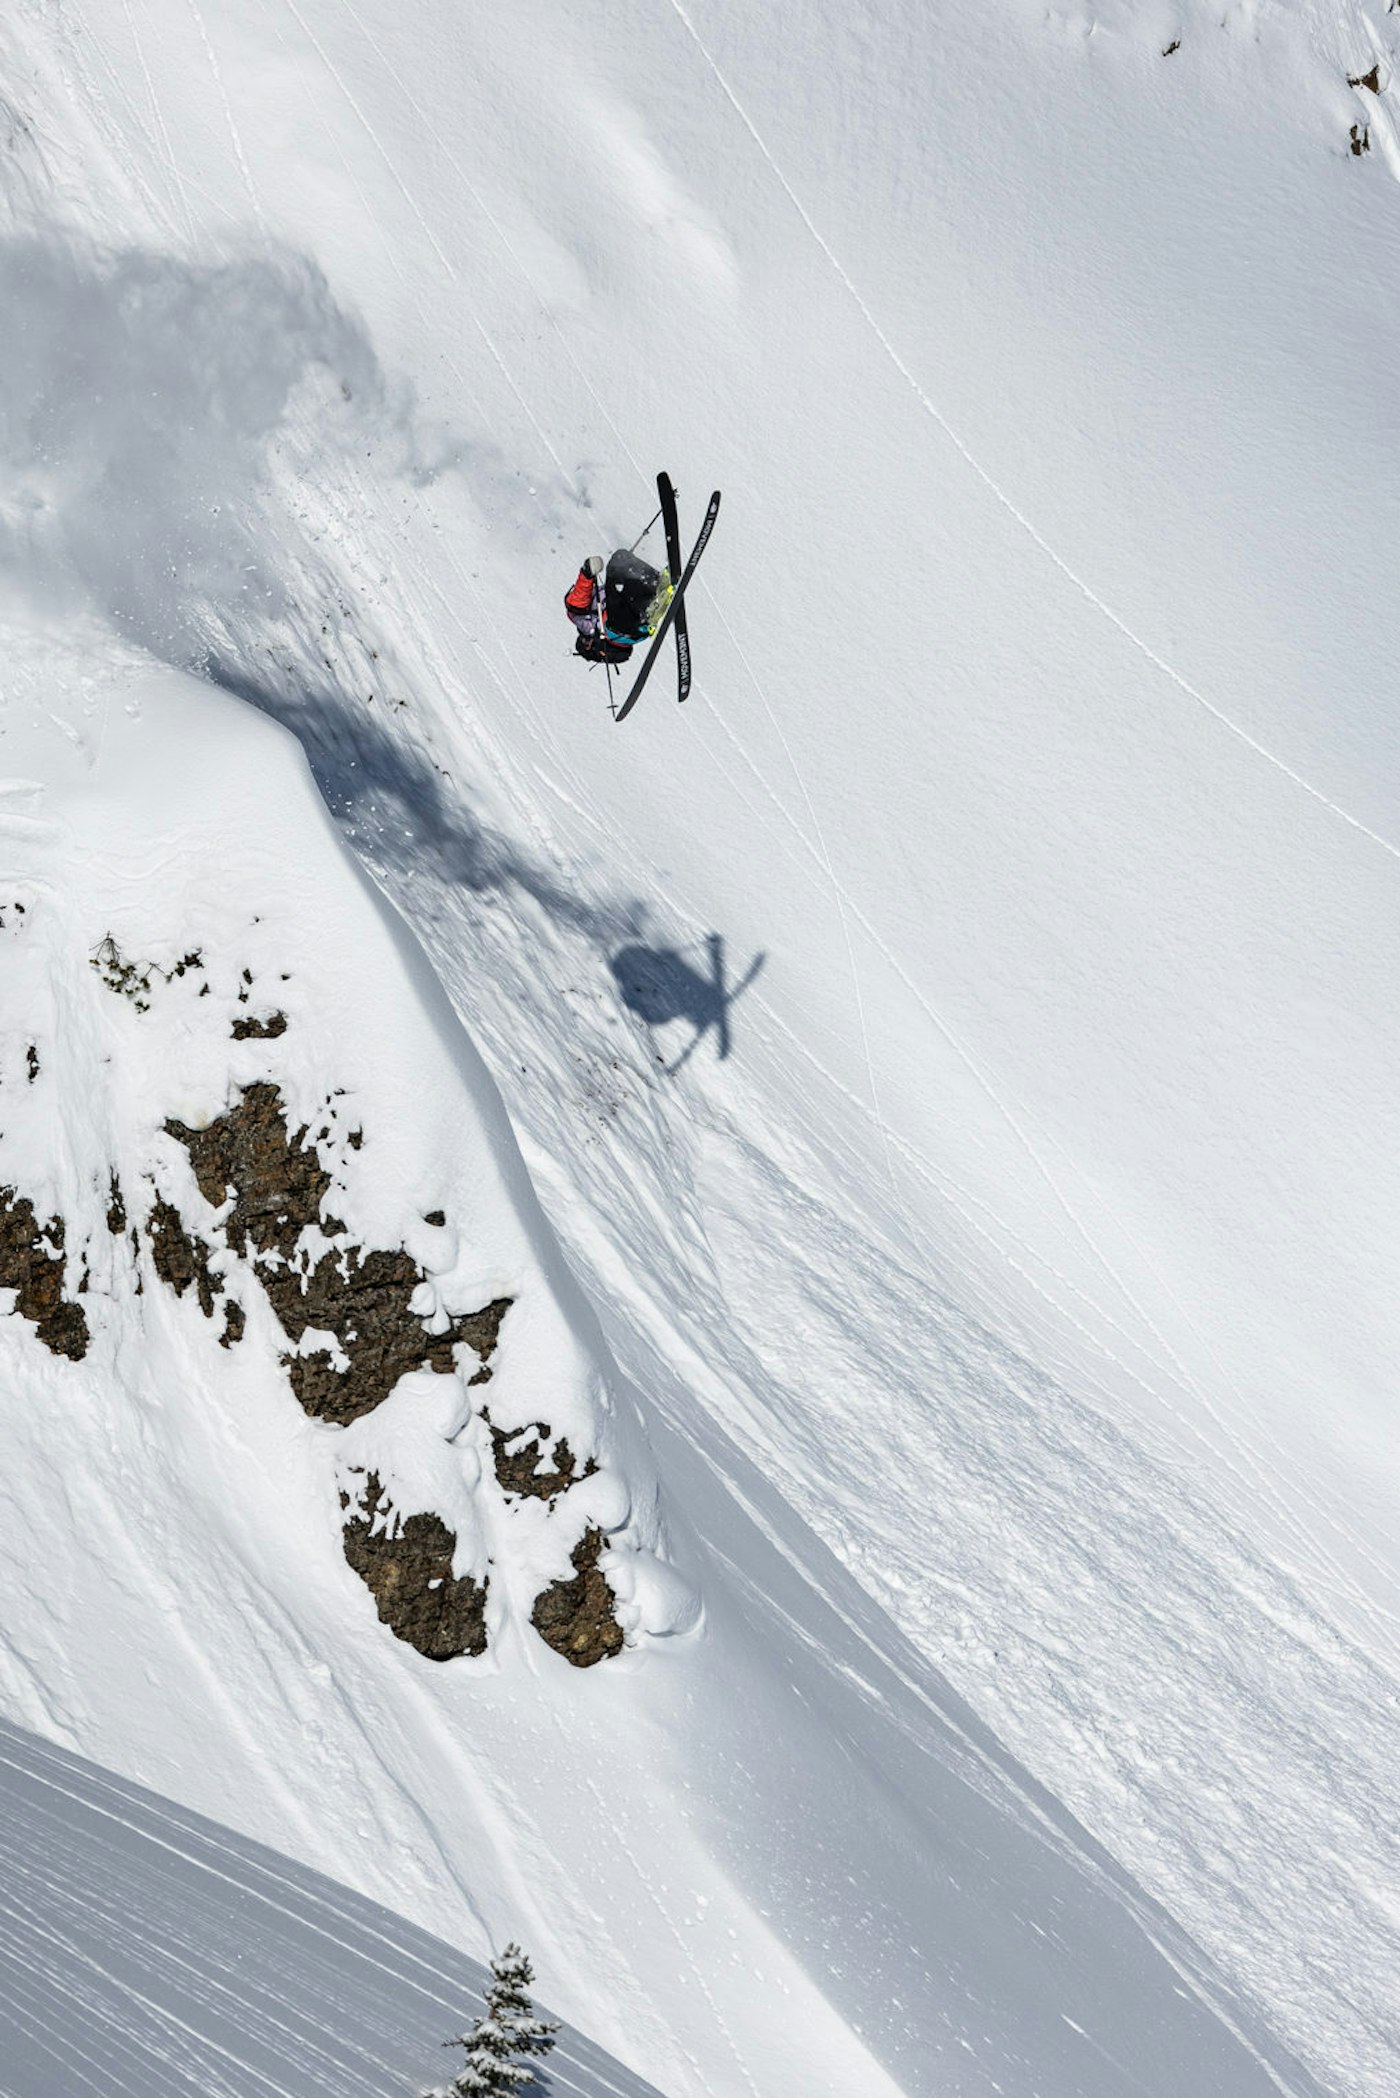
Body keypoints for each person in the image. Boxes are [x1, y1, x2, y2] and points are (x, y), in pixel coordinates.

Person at [565, 548, 670, 664]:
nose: (586, 639)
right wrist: (587, 573)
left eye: (583, 640)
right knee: (615, 622)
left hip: (628, 606)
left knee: (619, 561)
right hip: (624, 624)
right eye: (586, 642)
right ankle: (650, 609)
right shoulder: (584, 623)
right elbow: (577, 600)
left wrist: (588, 572)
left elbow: (579, 598)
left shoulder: (581, 619)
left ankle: (658, 588)